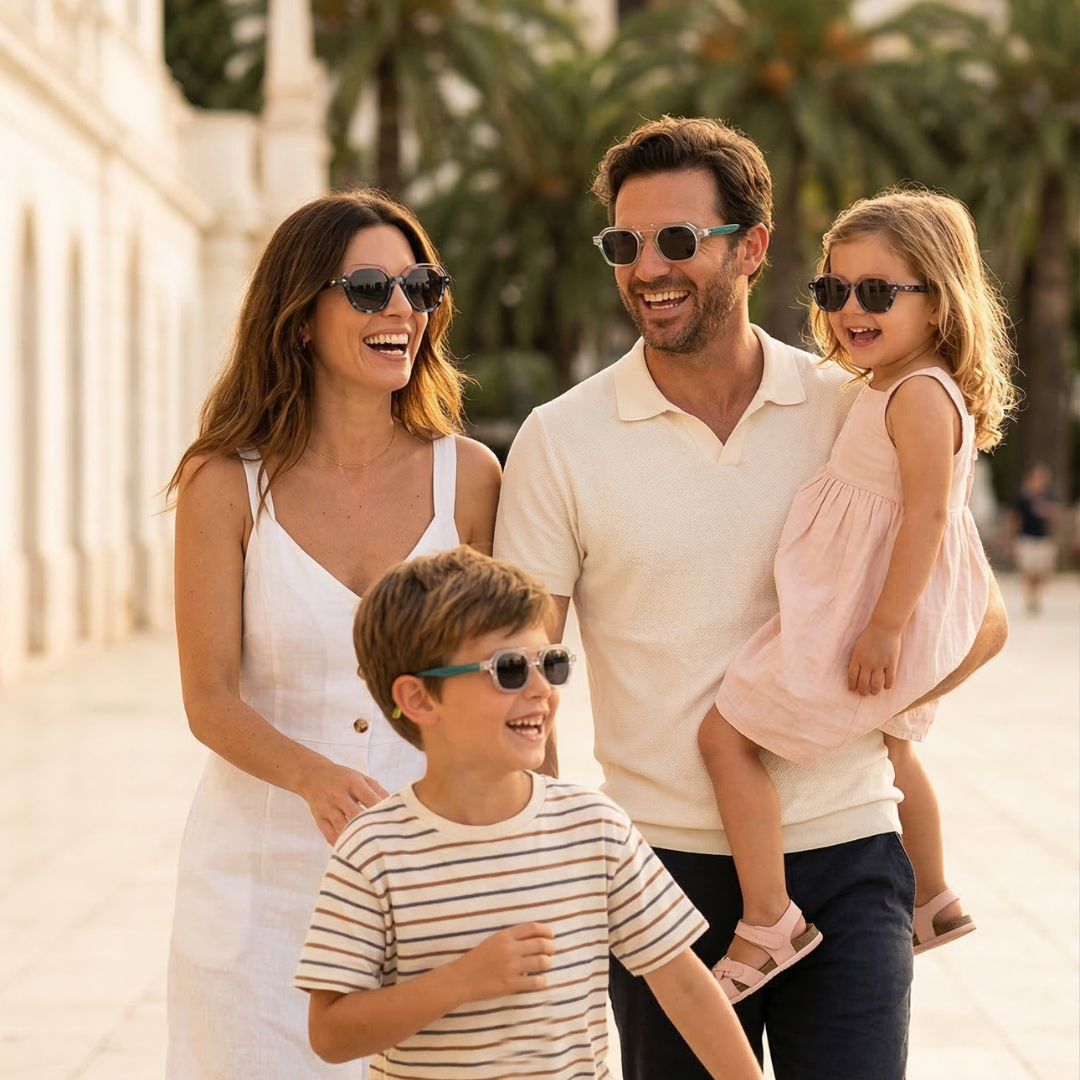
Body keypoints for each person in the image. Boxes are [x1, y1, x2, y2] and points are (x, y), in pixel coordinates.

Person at [493, 116, 1008, 1080]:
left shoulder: (857, 406)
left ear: (753, 248)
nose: (649, 267)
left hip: (851, 856)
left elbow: (980, 613)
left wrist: (862, 692)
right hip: (657, 881)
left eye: (680, 240)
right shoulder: (560, 439)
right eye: (626, 244)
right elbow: (526, 675)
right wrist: (544, 859)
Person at [165, 190, 502, 1078]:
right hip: (257, 896)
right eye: (367, 289)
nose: (401, 309)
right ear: (300, 316)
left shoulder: (467, 481)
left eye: (419, 287)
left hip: (431, 896)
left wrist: (523, 858)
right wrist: (312, 778)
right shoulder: (224, 484)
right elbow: (207, 699)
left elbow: (506, 688)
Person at [697, 189, 1017, 1006]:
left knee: (724, 737)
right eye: (832, 290)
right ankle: (934, 898)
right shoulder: (897, 384)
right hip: (869, 603)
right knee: (895, 748)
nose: (848, 310)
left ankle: (768, 921)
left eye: (877, 292)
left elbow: (928, 517)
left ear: (938, 299)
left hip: (865, 612)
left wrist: (884, 626)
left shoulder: (916, 394)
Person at [294, 546, 762, 1080]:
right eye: (510, 670)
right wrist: (463, 980)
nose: (541, 689)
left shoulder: (594, 827)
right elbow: (330, 1034)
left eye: (551, 664)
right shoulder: (373, 851)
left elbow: (682, 985)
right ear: (420, 699)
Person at [1007, 462, 1059, 614]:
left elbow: (1057, 514)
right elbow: (1014, 518)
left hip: (1044, 537)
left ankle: (1037, 595)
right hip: (1026, 537)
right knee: (1028, 570)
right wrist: (1010, 539)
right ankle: (1031, 598)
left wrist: (1047, 511)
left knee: (1042, 572)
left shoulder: (1049, 495)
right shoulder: (1023, 496)